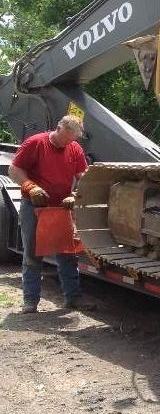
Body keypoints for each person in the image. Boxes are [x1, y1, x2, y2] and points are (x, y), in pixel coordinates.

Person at [9, 115, 94, 314]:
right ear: (58, 128)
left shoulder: (74, 149)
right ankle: (30, 302)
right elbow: (14, 169)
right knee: (33, 252)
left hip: (61, 207)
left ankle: (72, 299)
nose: (67, 143)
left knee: (67, 253)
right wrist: (30, 187)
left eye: (71, 140)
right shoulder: (35, 143)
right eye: (65, 138)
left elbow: (83, 176)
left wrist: (76, 195)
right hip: (34, 206)